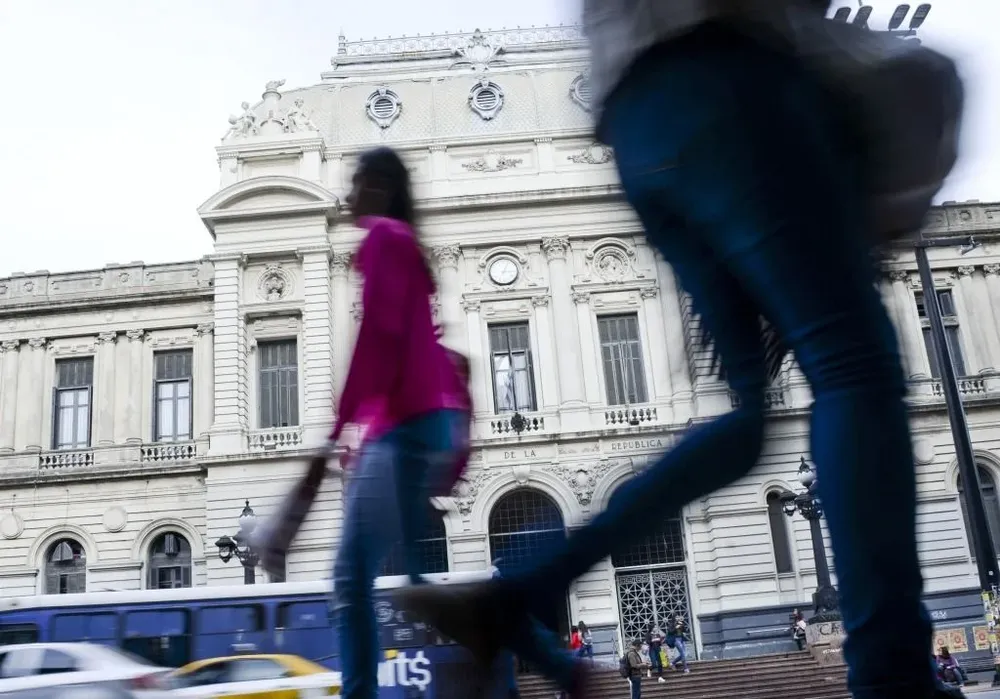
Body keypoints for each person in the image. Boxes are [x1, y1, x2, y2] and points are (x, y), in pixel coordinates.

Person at [398, 1, 953, 697]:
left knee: (746, 423)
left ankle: (517, 591)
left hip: (639, 129)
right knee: (856, 371)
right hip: (730, 82)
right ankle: (894, 676)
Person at [326, 146, 471, 699]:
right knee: (414, 580)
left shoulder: (384, 238)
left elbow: (377, 343)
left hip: (406, 427)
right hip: (430, 426)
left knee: (350, 577)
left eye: (356, 182)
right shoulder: (404, 242)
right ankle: (542, 651)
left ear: (380, 188)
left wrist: (340, 426)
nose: (348, 194)